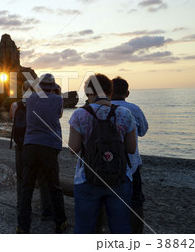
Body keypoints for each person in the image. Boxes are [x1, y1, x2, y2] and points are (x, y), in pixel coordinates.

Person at [68, 73, 136, 234]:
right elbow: (131, 149)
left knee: (84, 228)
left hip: (87, 178)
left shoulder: (79, 114)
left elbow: (73, 149)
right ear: (110, 92)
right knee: (121, 229)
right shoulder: (125, 113)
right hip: (119, 177)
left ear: (89, 92)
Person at [16, 73, 67, 234]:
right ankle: (60, 222)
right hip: (49, 146)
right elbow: (59, 114)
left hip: (30, 145)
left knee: (27, 187)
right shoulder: (58, 99)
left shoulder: (30, 99)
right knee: (54, 186)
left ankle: (23, 226)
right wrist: (57, 91)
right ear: (53, 87)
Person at [110, 76, 148, 233]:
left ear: (109, 92)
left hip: (106, 163)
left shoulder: (101, 108)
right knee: (136, 201)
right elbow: (143, 131)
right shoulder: (134, 109)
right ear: (128, 92)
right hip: (131, 164)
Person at [10, 80, 53, 220]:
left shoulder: (15, 105)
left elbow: (13, 120)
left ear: (22, 90)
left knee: (22, 178)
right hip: (38, 144)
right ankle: (46, 211)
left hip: (21, 146)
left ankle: (21, 208)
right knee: (43, 178)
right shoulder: (42, 105)